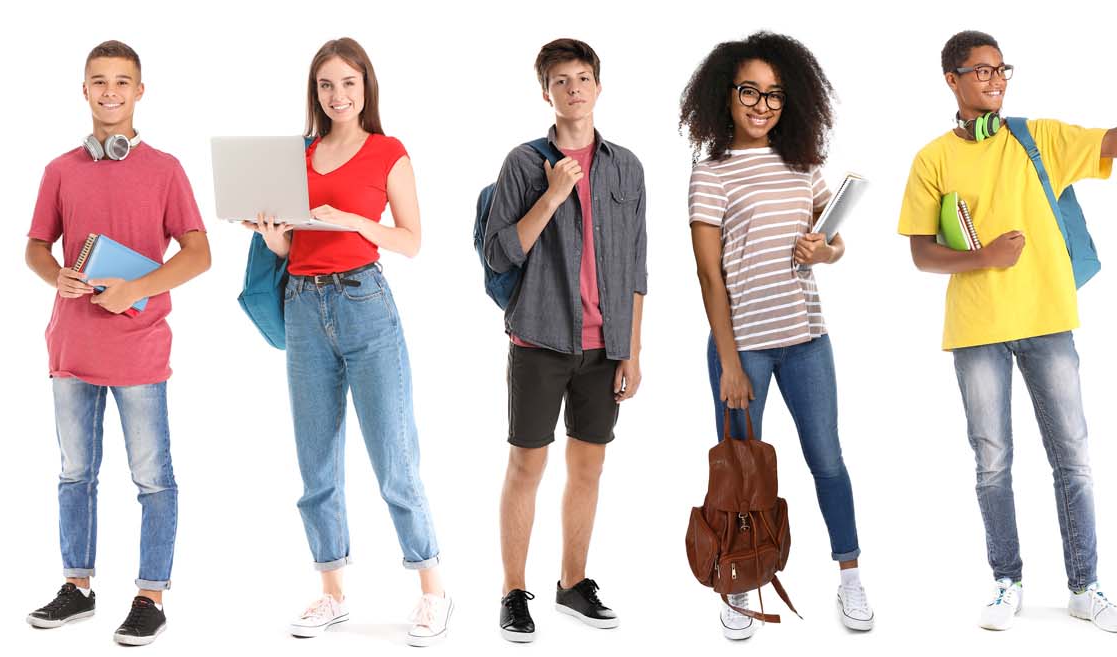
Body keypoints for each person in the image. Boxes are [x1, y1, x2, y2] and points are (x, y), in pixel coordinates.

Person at [898, 30, 1117, 634]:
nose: (996, 79)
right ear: (951, 80)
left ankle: (1086, 587)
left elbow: (1115, 142)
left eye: (1001, 69)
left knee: (1074, 458)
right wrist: (985, 259)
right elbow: (922, 254)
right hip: (977, 330)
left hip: (1048, 322)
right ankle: (1006, 582)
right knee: (992, 462)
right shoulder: (932, 158)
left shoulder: (1039, 138)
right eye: (981, 71)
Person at [245, 37, 450, 648]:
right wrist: (273, 237)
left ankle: (432, 591)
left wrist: (354, 220)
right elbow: (291, 250)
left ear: (367, 88)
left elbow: (411, 240)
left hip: (365, 304)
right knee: (317, 462)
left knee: (395, 457)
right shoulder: (298, 155)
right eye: (327, 85)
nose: (338, 96)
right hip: (304, 306)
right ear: (316, 92)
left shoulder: (388, 151)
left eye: (349, 84)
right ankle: (331, 591)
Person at [677, 31, 872, 640]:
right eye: (750, 93)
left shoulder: (803, 162)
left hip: (808, 338)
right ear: (724, 96)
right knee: (740, 469)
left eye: (775, 96)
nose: (763, 106)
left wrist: (826, 249)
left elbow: (831, 242)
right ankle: (736, 584)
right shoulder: (711, 171)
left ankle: (850, 578)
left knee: (828, 460)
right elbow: (709, 275)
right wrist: (731, 363)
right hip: (745, 349)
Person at [20, 40, 211, 647]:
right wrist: (58, 276)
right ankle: (77, 588)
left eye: (121, 82)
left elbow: (199, 254)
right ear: (83, 90)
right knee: (75, 473)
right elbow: (35, 247)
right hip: (71, 346)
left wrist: (137, 290)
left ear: (139, 92)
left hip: (139, 349)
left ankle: (150, 595)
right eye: (98, 82)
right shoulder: (59, 171)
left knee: (152, 477)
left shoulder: (165, 169)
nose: (109, 92)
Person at [481, 38, 647, 643]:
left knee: (589, 465)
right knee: (527, 463)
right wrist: (552, 193)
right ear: (545, 92)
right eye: (560, 80)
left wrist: (631, 347)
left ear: (598, 87)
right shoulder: (524, 164)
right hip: (540, 339)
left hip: (605, 348)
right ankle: (512, 592)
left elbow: (636, 264)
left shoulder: (627, 166)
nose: (573, 89)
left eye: (582, 78)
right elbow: (501, 249)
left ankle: (572, 584)